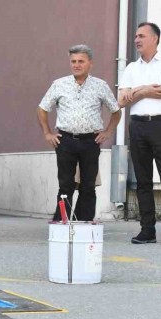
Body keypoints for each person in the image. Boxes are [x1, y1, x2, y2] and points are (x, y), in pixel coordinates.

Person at [37, 44, 121, 222]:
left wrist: (108, 132)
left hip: (90, 141)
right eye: (73, 61)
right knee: (65, 185)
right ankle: (62, 222)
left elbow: (116, 110)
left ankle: (84, 222)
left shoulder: (100, 85)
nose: (76, 65)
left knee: (88, 185)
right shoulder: (59, 84)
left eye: (81, 61)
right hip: (65, 140)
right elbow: (42, 108)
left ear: (90, 63)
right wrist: (47, 133)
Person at [118, 22, 161, 246]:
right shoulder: (131, 68)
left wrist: (137, 90)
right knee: (142, 180)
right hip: (138, 126)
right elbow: (121, 100)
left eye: (141, 36)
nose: (136, 40)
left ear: (155, 38)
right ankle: (147, 230)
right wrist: (147, 89)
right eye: (136, 36)